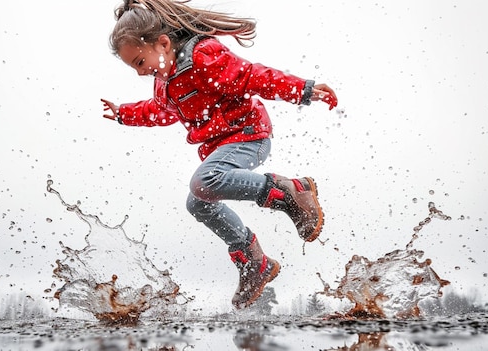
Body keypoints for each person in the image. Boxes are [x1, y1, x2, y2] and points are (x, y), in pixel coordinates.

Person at [101, 0, 338, 309]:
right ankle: (254, 260)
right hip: (222, 148)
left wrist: (302, 90)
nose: (140, 73)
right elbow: (160, 111)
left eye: (139, 62)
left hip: (249, 135)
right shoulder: (165, 83)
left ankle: (291, 192)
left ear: (162, 42)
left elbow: (254, 76)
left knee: (204, 181)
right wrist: (125, 114)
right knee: (197, 202)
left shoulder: (203, 57)